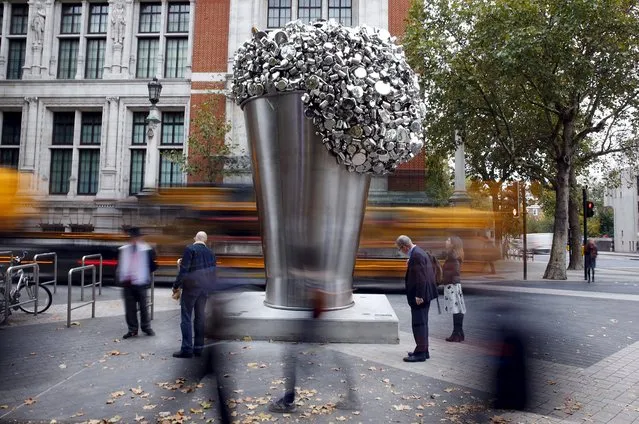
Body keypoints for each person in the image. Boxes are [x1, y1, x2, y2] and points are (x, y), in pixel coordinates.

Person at [172, 231, 217, 358]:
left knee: (186, 317)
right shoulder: (211, 253)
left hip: (191, 289)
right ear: (205, 241)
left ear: (195, 238)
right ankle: (198, 348)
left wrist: (176, 285)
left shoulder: (190, 249)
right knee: (200, 318)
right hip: (204, 289)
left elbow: (184, 271)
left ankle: (186, 349)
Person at [396, 235, 438, 362]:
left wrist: (419, 295)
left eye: (400, 248)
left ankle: (420, 353)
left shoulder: (417, 255)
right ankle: (423, 351)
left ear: (405, 246)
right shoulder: (417, 253)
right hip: (425, 294)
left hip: (421, 296)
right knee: (422, 323)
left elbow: (421, 278)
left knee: (419, 324)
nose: (401, 251)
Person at [118, 227, 157, 339]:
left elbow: (153, 265)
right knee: (130, 308)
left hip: (141, 282)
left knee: (144, 307)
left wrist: (144, 273)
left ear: (139, 238)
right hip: (127, 283)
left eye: (136, 237)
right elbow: (120, 265)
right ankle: (132, 330)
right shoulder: (123, 249)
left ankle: (146, 327)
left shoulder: (147, 249)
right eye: (132, 238)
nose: (134, 240)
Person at [442, 236, 466, 342]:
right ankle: (459, 332)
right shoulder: (454, 254)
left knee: (456, 310)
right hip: (455, 285)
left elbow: (455, 270)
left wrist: (446, 279)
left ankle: (456, 334)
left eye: (448, 240)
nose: (446, 241)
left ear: (452, 244)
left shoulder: (452, 255)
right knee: (458, 309)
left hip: (452, 285)